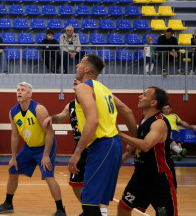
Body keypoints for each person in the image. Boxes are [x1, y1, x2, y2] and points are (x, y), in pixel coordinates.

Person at [43, 77, 136, 216]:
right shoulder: (71, 105)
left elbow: (113, 120)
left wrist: (126, 138)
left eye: (79, 79)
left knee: (98, 183)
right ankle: (90, 209)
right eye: (74, 79)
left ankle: (99, 210)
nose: (75, 79)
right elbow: (61, 117)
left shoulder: (97, 99)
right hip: (81, 145)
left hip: (97, 143)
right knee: (75, 183)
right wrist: (51, 117)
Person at [68, 54, 137, 216]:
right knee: (90, 200)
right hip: (113, 145)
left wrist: (77, 153)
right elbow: (127, 110)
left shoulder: (83, 88)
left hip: (102, 145)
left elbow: (93, 121)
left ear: (87, 69)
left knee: (89, 203)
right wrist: (132, 141)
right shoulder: (103, 89)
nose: (77, 65)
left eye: (80, 63)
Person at [0, 82, 66, 215]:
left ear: (30, 94)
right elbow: (15, 136)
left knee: (49, 176)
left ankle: (60, 209)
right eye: (18, 90)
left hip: (45, 147)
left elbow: (50, 133)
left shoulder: (38, 109)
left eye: (22, 90)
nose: (19, 92)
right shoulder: (13, 112)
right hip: (29, 147)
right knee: (13, 170)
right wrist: (13, 157)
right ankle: (8, 203)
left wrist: (46, 155)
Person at [118, 87, 178, 216]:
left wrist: (120, 135)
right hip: (140, 176)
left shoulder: (159, 122)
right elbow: (138, 147)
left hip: (159, 179)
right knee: (124, 206)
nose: (140, 96)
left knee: (163, 214)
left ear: (153, 103)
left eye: (145, 95)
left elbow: (146, 145)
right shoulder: (144, 120)